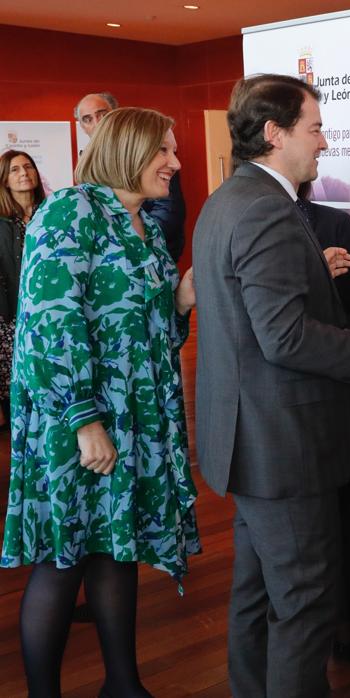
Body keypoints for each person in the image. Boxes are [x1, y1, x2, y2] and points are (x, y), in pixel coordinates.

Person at [192, 73, 350, 698]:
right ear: (275, 134)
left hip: (251, 440)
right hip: (283, 446)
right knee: (300, 606)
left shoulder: (228, 201)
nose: (324, 141)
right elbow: (286, 338)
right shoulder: (267, 210)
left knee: (254, 597)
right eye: (315, 128)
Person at [1, 107, 199, 698]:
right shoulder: (69, 212)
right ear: (128, 151)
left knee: (117, 545)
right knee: (65, 559)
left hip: (135, 417)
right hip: (78, 422)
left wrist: (182, 301)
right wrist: (84, 421)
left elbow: (154, 332)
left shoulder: (148, 226)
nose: (175, 163)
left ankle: (123, 682)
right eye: (163, 151)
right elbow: (48, 324)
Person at [295, 180, 350, 662]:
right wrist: (313, 271)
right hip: (280, 395)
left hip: (335, 388)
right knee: (295, 516)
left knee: (341, 506)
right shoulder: (252, 219)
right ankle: (302, 619)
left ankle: (344, 616)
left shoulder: (336, 222)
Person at [76, 91, 187, 262]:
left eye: (102, 114)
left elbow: (169, 211)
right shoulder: (67, 209)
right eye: (87, 119)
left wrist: (179, 290)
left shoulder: (149, 227)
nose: (175, 164)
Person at [0, 149, 48, 428]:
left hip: (46, 303)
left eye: (28, 167)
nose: (23, 174)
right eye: (15, 170)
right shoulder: (3, 221)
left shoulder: (49, 211)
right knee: (11, 372)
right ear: (5, 180)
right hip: (12, 310)